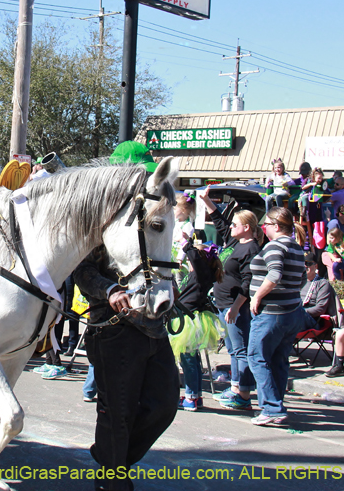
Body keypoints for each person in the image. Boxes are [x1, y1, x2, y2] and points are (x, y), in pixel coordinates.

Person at [75, 244, 178, 491]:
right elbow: (81, 270)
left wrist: (170, 286)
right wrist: (109, 290)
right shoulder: (102, 227)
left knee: (164, 405)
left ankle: (111, 458)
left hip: (154, 329)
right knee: (118, 412)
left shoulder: (151, 227)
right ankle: (112, 475)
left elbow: (162, 267)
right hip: (114, 329)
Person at [198, 187, 261, 410]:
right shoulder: (236, 242)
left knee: (241, 349)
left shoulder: (251, 248)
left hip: (236, 308)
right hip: (224, 304)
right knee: (234, 349)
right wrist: (206, 201)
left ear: (246, 228)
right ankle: (235, 388)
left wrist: (235, 308)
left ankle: (243, 394)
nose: (231, 227)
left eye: (236, 224)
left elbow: (248, 283)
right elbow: (220, 222)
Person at [247, 207, 307, 426]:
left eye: (266, 224)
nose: (264, 228)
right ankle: (275, 403)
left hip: (271, 313)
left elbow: (274, 274)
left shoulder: (274, 246)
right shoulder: (297, 248)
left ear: (275, 226)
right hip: (291, 312)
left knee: (257, 357)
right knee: (279, 360)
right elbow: (301, 279)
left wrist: (257, 297)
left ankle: (272, 407)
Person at [172, 236, 224, 412]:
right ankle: (195, 395)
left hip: (190, 320)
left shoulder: (202, 274)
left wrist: (186, 244)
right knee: (191, 360)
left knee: (188, 361)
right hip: (187, 317)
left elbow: (195, 257)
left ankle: (191, 397)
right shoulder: (195, 274)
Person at [300, 255, 336, 331]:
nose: (305, 266)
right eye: (302, 263)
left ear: (316, 266)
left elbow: (320, 309)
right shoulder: (297, 281)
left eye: (308, 263)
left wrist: (299, 311)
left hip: (312, 320)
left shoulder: (322, 283)